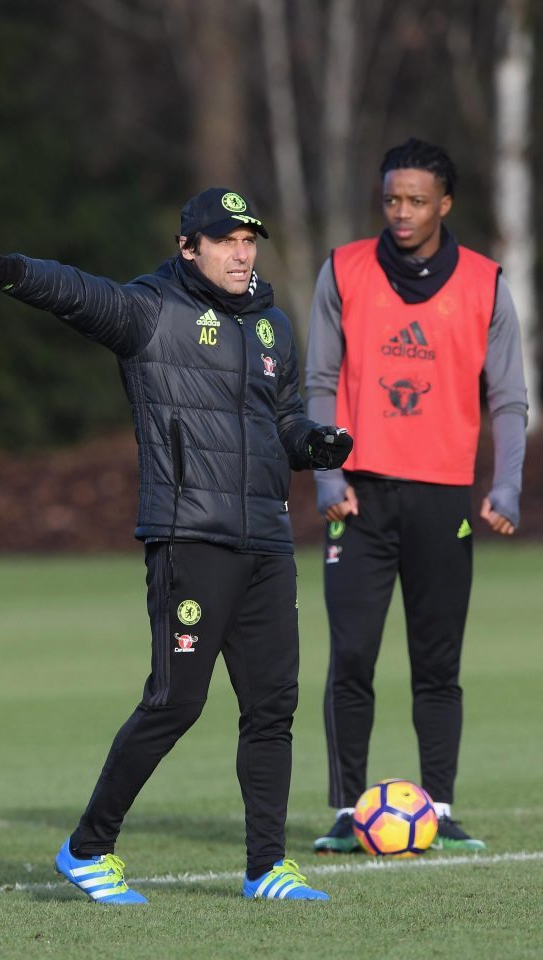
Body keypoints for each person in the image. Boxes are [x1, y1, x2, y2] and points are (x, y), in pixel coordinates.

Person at [0, 187, 353, 903]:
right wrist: (7, 270)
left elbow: (281, 417)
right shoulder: (149, 310)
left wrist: (310, 442)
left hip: (267, 542)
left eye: (249, 239)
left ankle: (266, 867)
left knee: (272, 708)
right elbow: (75, 291)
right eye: (225, 240)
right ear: (187, 247)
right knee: (174, 702)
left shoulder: (272, 327)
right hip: (188, 536)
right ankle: (86, 849)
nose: (241, 252)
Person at [305, 139, 527, 854]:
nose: (399, 212)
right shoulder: (342, 270)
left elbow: (509, 398)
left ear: (445, 205)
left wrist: (507, 484)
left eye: (415, 200)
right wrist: (325, 474)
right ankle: (346, 811)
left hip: (441, 501)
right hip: (358, 501)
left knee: (437, 666)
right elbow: (315, 381)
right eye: (391, 198)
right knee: (351, 659)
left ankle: (439, 806)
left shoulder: (486, 283)